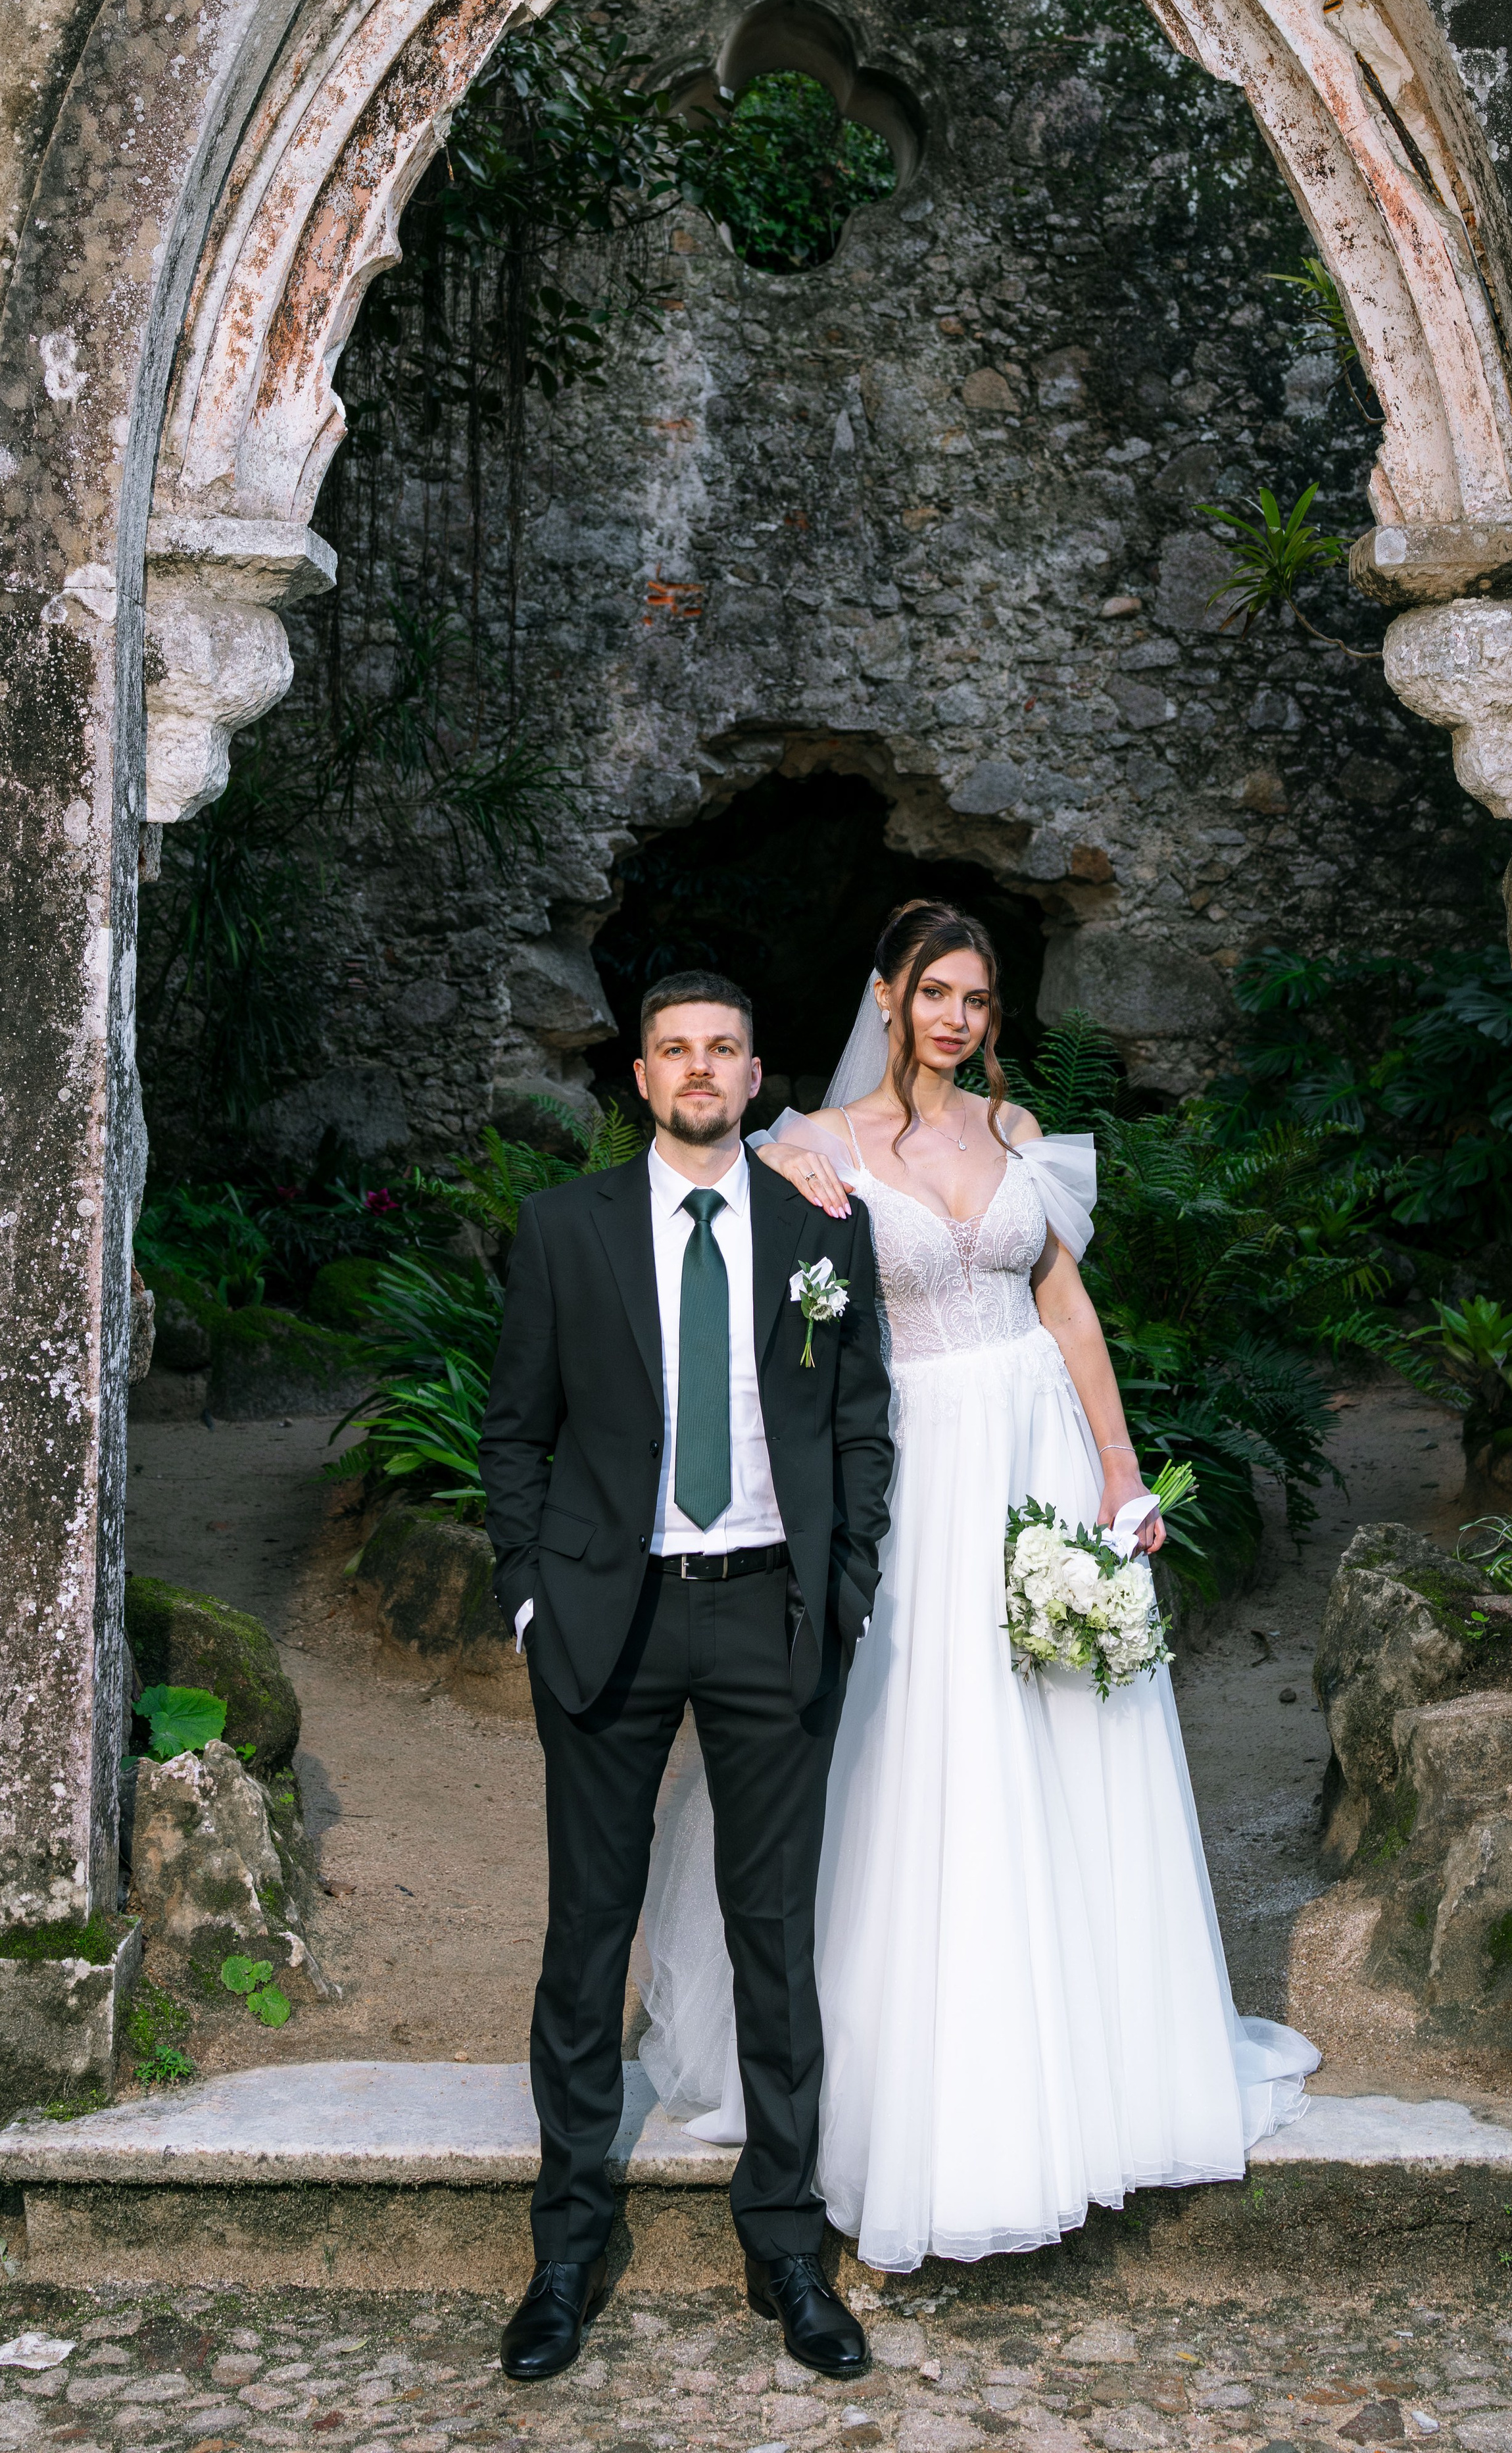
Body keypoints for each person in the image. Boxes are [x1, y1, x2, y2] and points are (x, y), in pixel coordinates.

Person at [637, 901, 1319, 2275]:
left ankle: (1092, 2074)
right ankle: (918, 2104)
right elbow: (745, 1298)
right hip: (913, 1469)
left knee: (1070, 1743)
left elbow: (1066, 1309)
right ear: (883, 996)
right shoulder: (807, 1152)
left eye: (975, 997)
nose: (954, 1015)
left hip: (1039, 1459)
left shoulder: (1016, 1142)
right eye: (932, 990)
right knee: (914, 1752)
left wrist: (1119, 1479)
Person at [480, 972, 894, 2378]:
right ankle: (566, 2242)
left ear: (757, 1069)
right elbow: (512, 1433)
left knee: (771, 1935)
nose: (699, 1068)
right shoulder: (562, 1229)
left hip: (772, 1608)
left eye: (722, 1047)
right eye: (675, 1050)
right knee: (586, 1935)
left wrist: (843, 1590)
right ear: (641, 1077)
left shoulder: (818, 1221)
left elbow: (858, 1418)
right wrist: (531, 1599)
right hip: (610, 1614)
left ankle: (784, 2239)